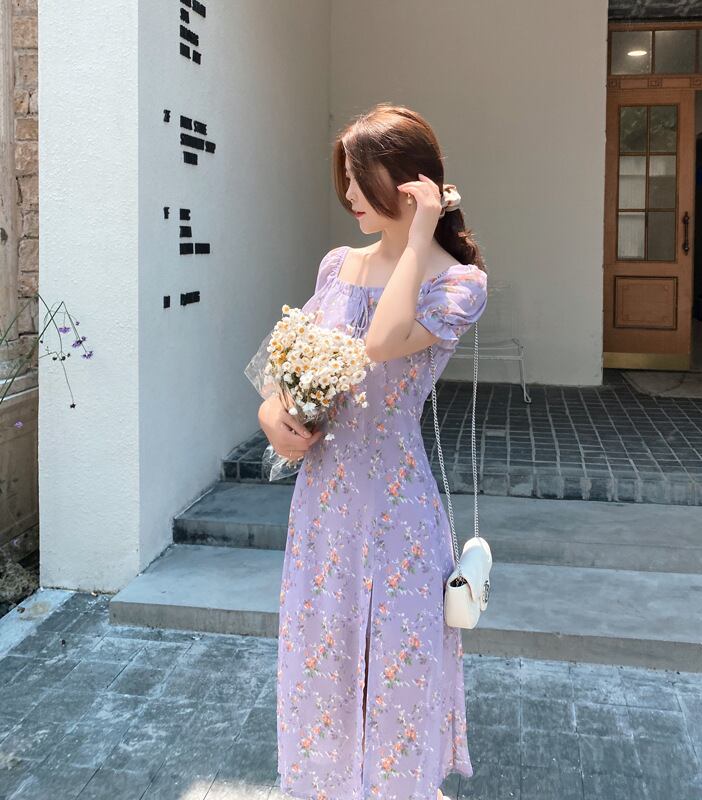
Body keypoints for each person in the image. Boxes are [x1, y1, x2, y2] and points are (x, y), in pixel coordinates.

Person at [258, 102, 488, 800]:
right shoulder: (337, 265)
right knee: (321, 663)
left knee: (398, 670)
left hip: (398, 513)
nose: (349, 194)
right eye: (347, 179)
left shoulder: (459, 284)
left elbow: (383, 343)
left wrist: (416, 240)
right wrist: (272, 417)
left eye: (361, 178)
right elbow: (282, 365)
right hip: (322, 506)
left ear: (411, 183)